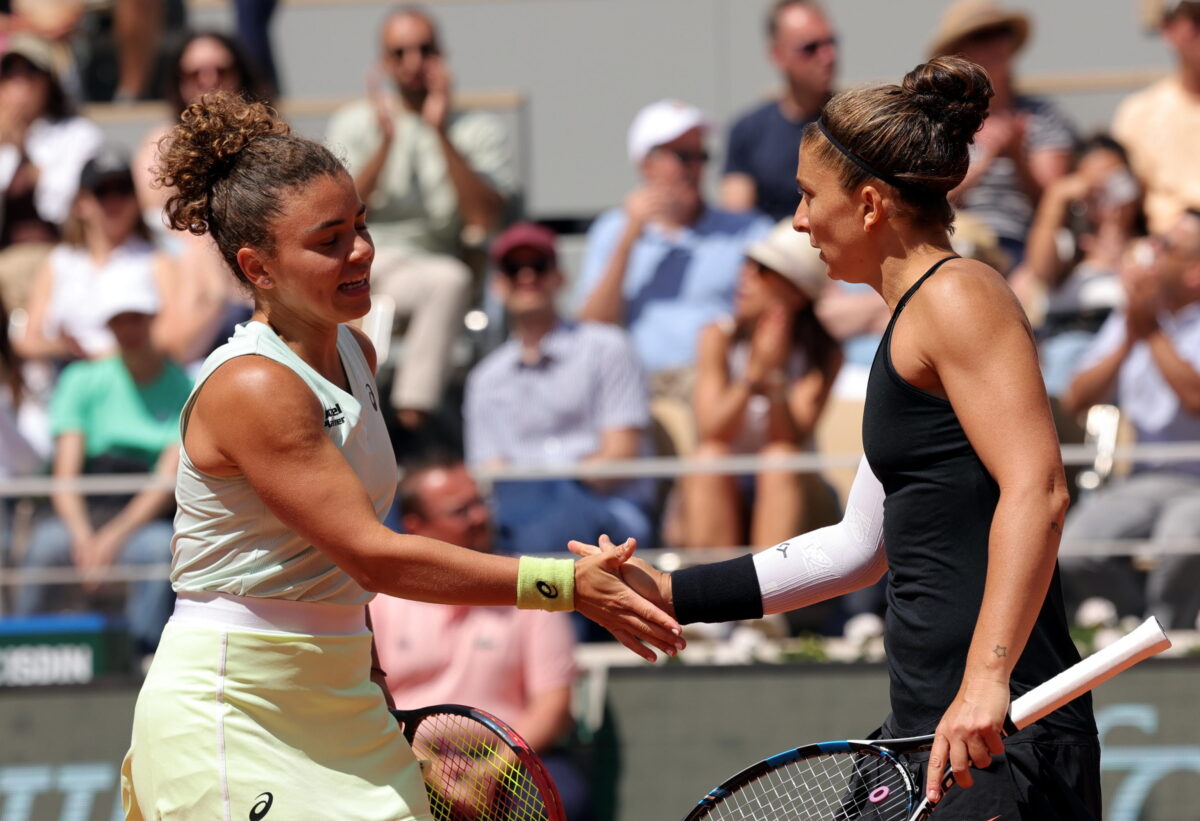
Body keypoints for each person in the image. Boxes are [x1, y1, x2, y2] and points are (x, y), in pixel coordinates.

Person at [119, 91, 681, 821]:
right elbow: (372, 556)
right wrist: (562, 584)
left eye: (360, 227)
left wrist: (374, 678)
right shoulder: (252, 385)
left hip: (343, 689)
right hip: (235, 703)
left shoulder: (358, 350)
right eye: (328, 241)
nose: (359, 252)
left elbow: (336, 575)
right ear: (257, 267)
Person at [578, 56, 1099, 819]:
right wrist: (671, 590)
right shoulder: (913, 324)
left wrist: (987, 678)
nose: (797, 220)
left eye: (807, 195)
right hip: (934, 728)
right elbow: (858, 547)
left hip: (1000, 726)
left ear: (869, 204)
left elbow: (1040, 489)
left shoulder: (959, 294)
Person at [326, 4, 517, 431]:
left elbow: (484, 217)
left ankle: (410, 418)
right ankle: (372, 416)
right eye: (399, 53)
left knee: (449, 280)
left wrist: (440, 132)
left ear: (442, 55)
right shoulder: (355, 123)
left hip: (428, 267)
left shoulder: (477, 130)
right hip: (362, 258)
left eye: (424, 50)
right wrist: (387, 141)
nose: (413, 63)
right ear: (382, 63)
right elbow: (337, 209)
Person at [370, 454, 592, 820]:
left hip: (512, 762)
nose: (480, 517)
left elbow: (552, 707)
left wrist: (491, 772)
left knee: (566, 796)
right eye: (461, 510)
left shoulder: (534, 585)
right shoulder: (382, 596)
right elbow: (370, 695)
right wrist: (424, 765)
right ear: (416, 527)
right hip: (402, 755)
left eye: (480, 503)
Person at [575, 99, 772, 450]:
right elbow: (592, 326)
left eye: (701, 156)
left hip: (711, 375)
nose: (694, 168)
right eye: (682, 156)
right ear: (645, 164)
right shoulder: (613, 231)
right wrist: (630, 237)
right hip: (632, 382)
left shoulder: (746, 231)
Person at [12, 276, 187, 659]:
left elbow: (166, 480)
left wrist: (110, 538)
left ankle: (143, 655)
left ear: (152, 318)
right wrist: (83, 537)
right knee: (46, 546)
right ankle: (19, 649)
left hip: (141, 519)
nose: (128, 330)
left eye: (136, 318)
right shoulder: (82, 380)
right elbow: (66, 476)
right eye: (119, 321)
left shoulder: (182, 386)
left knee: (158, 550)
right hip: (86, 511)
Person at [465, 221, 653, 556]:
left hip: (604, 509)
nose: (527, 277)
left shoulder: (608, 348)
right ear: (498, 284)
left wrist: (553, 486)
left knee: (551, 518)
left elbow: (620, 457)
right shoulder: (485, 378)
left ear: (559, 277)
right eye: (514, 268)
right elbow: (488, 473)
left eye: (538, 266)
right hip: (524, 516)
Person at [1058, 208, 1200, 631]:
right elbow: (1077, 399)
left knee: (1180, 542)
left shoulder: (1147, 320)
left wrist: (1151, 333)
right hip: (1144, 478)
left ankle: (1169, 637)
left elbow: (1195, 398)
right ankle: (1142, 631)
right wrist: (1130, 338)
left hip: (1197, 480)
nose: (1151, 253)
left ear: (1194, 273)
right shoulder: (1134, 316)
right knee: (1076, 548)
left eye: (1166, 247)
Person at [681, 217, 841, 549]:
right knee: (710, 457)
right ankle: (715, 595)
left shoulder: (823, 353)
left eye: (763, 270)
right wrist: (752, 378)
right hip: (725, 485)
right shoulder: (717, 337)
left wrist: (775, 378)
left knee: (779, 458)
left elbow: (789, 437)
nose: (746, 276)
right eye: (748, 265)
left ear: (797, 294)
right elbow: (712, 430)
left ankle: (772, 597)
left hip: (790, 487)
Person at [132, 30, 267, 367]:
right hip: (185, 273)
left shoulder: (266, 139)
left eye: (221, 71)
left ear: (239, 74)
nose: (209, 81)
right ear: (178, 81)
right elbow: (155, 217)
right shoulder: (160, 141)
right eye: (195, 73)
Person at [928, 0, 1074, 267]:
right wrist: (984, 161)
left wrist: (1018, 157)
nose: (996, 45)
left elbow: (1053, 203)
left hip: (1023, 246)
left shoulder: (1042, 115)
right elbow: (928, 201)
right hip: (952, 242)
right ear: (959, 53)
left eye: (1002, 32)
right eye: (982, 36)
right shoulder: (938, 122)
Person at [15, 149, 177, 365]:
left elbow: (173, 334)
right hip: (68, 378)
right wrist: (66, 347)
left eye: (123, 190)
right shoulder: (59, 262)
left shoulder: (157, 260)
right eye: (102, 191)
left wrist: (107, 356)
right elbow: (27, 340)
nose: (114, 201)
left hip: (133, 381)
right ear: (81, 203)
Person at [1016, 134, 1145, 397]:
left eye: (1116, 180)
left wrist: (1119, 249)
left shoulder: (1150, 249)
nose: (1108, 194)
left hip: (1125, 354)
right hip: (1066, 352)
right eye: (1095, 186)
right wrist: (1055, 200)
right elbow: (1042, 269)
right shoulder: (1069, 249)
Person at [0, 32, 102, 312]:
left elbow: (61, 208)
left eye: (29, 73)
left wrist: (25, 151)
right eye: (9, 74)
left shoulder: (78, 135)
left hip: (58, 256)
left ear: (49, 82)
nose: (18, 84)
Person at [721, 0, 837, 220]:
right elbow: (737, 223)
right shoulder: (748, 130)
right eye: (810, 48)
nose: (828, 56)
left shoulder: (852, 124)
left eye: (830, 43)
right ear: (777, 55)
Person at [1113, 0, 1200, 236]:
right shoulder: (1137, 112)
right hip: (1163, 247)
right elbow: (1122, 206)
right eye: (1196, 19)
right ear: (1167, 30)